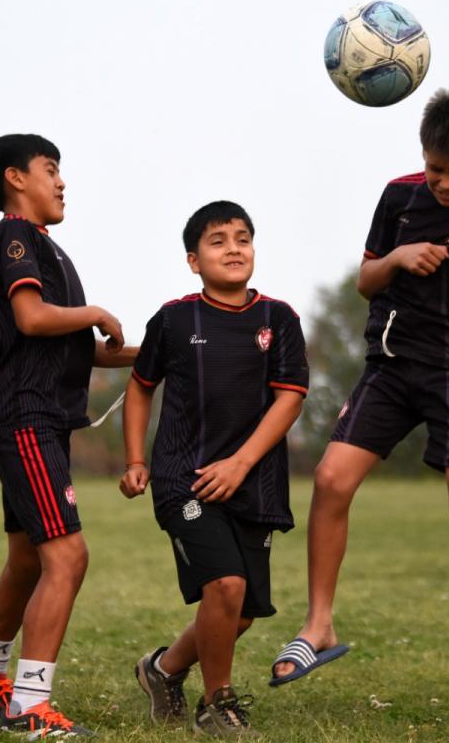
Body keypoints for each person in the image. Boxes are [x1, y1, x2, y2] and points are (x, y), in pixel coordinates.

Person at [271, 89, 449, 735]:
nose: (445, 183)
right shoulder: (398, 197)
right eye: (435, 168)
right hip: (391, 368)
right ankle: (319, 623)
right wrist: (394, 259)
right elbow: (366, 279)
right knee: (331, 480)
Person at [0, 133, 134, 739]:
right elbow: (32, 320)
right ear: (15, 179)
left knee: (28, 558)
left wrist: (158, 353)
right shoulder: (14, 238)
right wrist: (97, 312)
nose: (62, 182)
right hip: (24, 416)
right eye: (51, 169)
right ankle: (29, 705)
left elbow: (80, 348)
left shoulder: (50, 251)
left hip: (41, 419)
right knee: (68, 555)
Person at [120, 201, 308, 737]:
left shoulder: (279, 319)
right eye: (218, 240)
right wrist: (137, 460)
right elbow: (140, 387)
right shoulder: (175, 319)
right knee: (223, 587)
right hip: (187, 480)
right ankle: (216, 705)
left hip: (256, 483)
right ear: (192, 260)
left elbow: (290, 399)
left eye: (242, 238)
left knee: (241, 611)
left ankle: (161, 670)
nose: (233, 248)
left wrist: (241, 464)